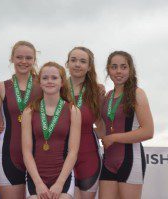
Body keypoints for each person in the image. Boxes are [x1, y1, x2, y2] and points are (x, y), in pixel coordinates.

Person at [98, 51, 154, 199]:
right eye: (114, 67)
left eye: (123, 67)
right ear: (108, 70)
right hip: (108, 160)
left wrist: (114, 137)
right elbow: (102, 131)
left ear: (130, 70)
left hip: (130, 160)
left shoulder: (137, 93)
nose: (118, 71)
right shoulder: (107, 96)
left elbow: (148, 132)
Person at [22, 62, 81, 199]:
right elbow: (26, 152)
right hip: (36, 176)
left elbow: (73, 152)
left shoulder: (73, 111)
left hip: (62, 176)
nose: (49, 81)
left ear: (62, 82)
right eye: (45, 78)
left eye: (54, 78)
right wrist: (38, 183)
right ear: (40, 82)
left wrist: (59, 183)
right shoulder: (29, 111)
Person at [0, 41, 42, 198]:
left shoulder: (44, 86)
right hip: (8, 153)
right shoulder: (2, 87)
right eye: (19, 57)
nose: (24, 61)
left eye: (28, 58)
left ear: (34, 60)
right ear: (12, 59)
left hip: (40, 156)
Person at [66, 47, 103, 199]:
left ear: (89, 67)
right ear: (67, 64)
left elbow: (102, 125)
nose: (77, 64)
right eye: (73, 60)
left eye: (83, 61)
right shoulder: (56, 88)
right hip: (61, 156)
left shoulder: (97, 92)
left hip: (89, 156)